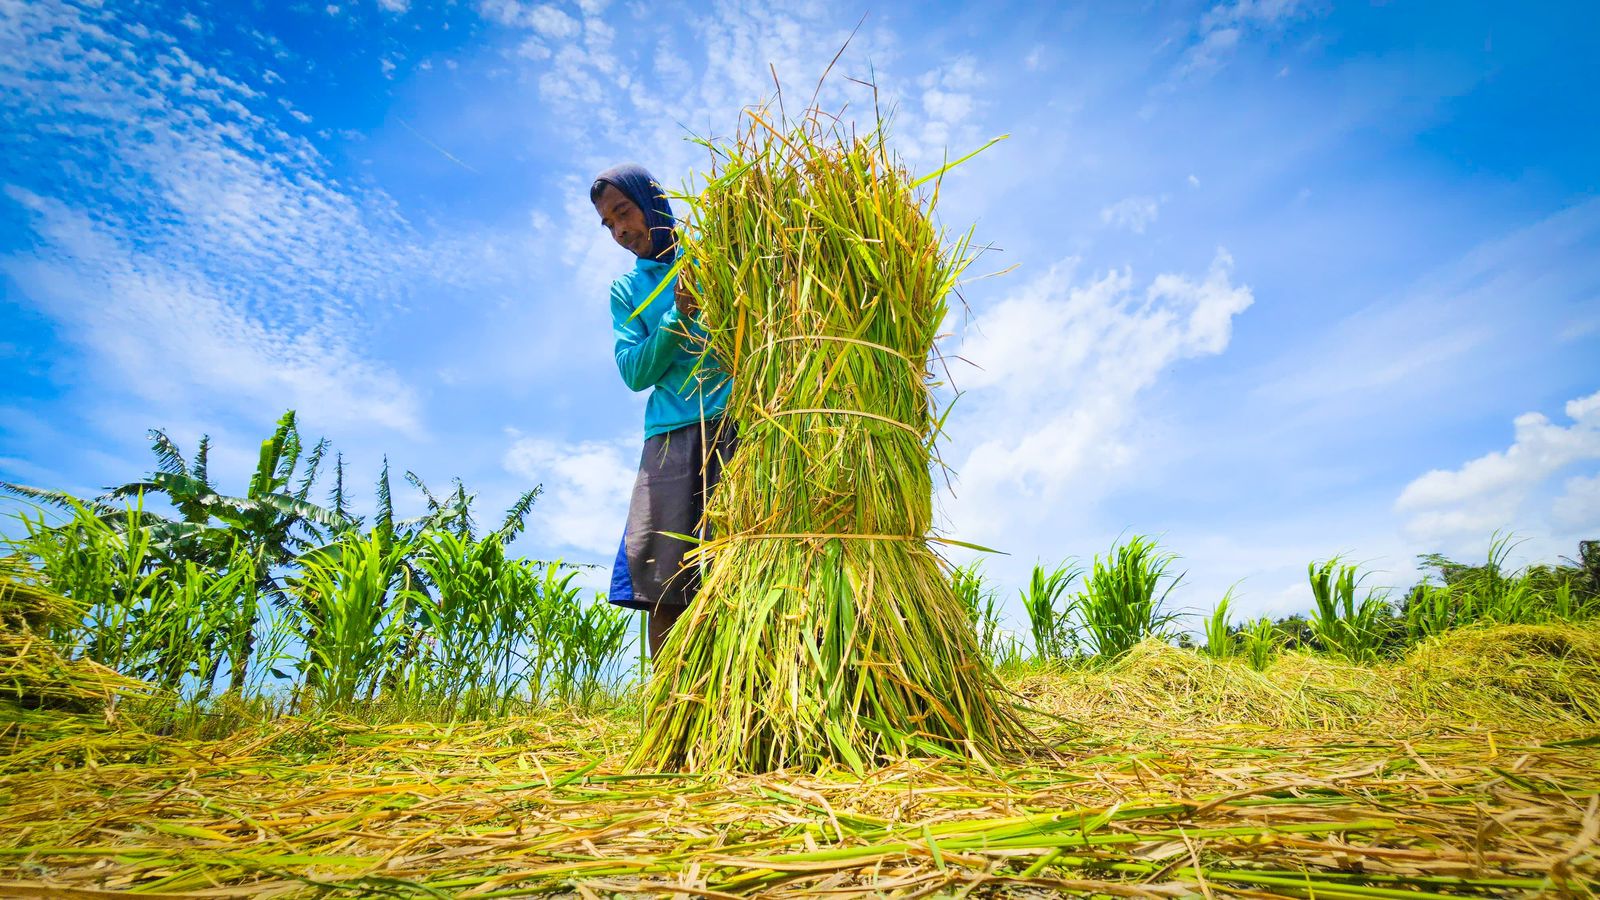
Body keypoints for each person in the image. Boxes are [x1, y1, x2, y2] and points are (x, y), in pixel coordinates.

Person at [590, 163, 735, 656]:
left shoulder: (716, 259)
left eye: (623, 212)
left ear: (652, 201)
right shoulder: (627, 291)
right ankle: (670, 697)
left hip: (736, 426)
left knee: (735, 565)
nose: (619, 230)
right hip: (671, 437)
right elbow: (633, 371)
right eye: (609, 224)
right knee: (663, 578)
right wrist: (678, 316)